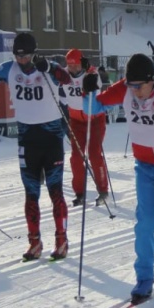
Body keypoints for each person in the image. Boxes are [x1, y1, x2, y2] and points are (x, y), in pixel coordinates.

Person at [82, 53, 154, 303]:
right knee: (144, 223)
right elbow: (92, 108)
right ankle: (144, 278)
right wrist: (87, 91)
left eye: (139, 86)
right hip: (145, 167)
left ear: (152, 80)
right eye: (130, 85)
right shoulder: (125, 88)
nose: (135, 91)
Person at [0, 32, 72, 261]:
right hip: (27, 138)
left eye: (26, 56)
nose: (22, 61)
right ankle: (34, 242)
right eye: (18, 56)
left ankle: (61, 240)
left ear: (33, 53)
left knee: (55, 190)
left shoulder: (47, 66)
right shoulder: (8, 69)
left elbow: (66, 79)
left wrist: (49, 68)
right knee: (31, 192)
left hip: (51, 137)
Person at [62, 48, 109, 206]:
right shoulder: (64, 74)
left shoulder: (91, 73)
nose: (72, 68)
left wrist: (90, 77)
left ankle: (103, 190)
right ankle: (79, 192)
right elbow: (52, 74)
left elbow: (98, 84)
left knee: (94, 154)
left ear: (81, 63)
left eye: (75, 65)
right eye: (69, 65)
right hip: (76, 121)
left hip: (94, 120)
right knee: (76, 157)